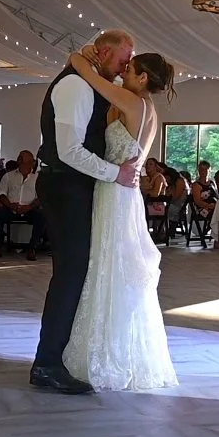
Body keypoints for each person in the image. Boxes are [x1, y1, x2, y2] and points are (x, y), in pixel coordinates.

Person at [53, 41, 179, 393]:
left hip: (114, 191)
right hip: (124, 191)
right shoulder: (147, 108)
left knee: (106, 265)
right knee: (112, 266)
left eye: (129, 66)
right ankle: (113, 349)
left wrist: (80, 55)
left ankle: (103, 355)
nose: (123, 70)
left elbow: (89, 76)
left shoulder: (132, 102)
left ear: (141, 77)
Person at [31, 30, 143, 395]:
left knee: (77, 272)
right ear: (103, 52)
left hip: (75, 187)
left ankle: (57, 357)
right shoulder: (76, 87)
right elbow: (67, 150)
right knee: (69, 274)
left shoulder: (89, 82)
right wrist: (116, 174)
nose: (126, 67)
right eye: (123, 60)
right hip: (64, 187)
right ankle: (47, 364)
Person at [0, 150, 46, 261]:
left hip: (29, 209)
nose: (32, 163)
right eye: (29, 161)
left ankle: (32, 248)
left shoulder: (37, 178)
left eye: (32, 161)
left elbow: (40, 198)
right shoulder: (8, 176)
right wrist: (10, 205)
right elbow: (1, 194)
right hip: (11, 208)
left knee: (41, 216)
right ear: (20, 161)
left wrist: (29, 207)